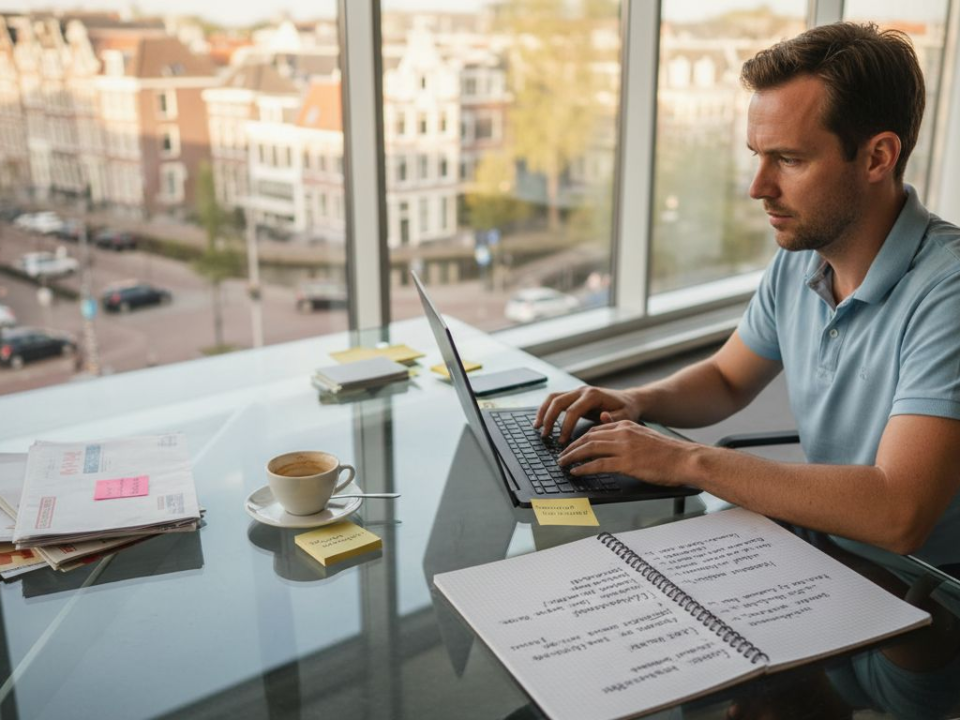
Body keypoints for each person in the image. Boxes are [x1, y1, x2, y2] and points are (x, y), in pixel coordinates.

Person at [536, 21, 960, 567]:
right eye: (757, 155)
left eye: (788, 160)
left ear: (878, 157)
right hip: (826, 557)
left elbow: (898, 514)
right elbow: (726, 379)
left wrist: (687, 461)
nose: (758, 187)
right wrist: (638, 402)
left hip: (928, 599)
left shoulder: (947, 292)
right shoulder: (803, 256)